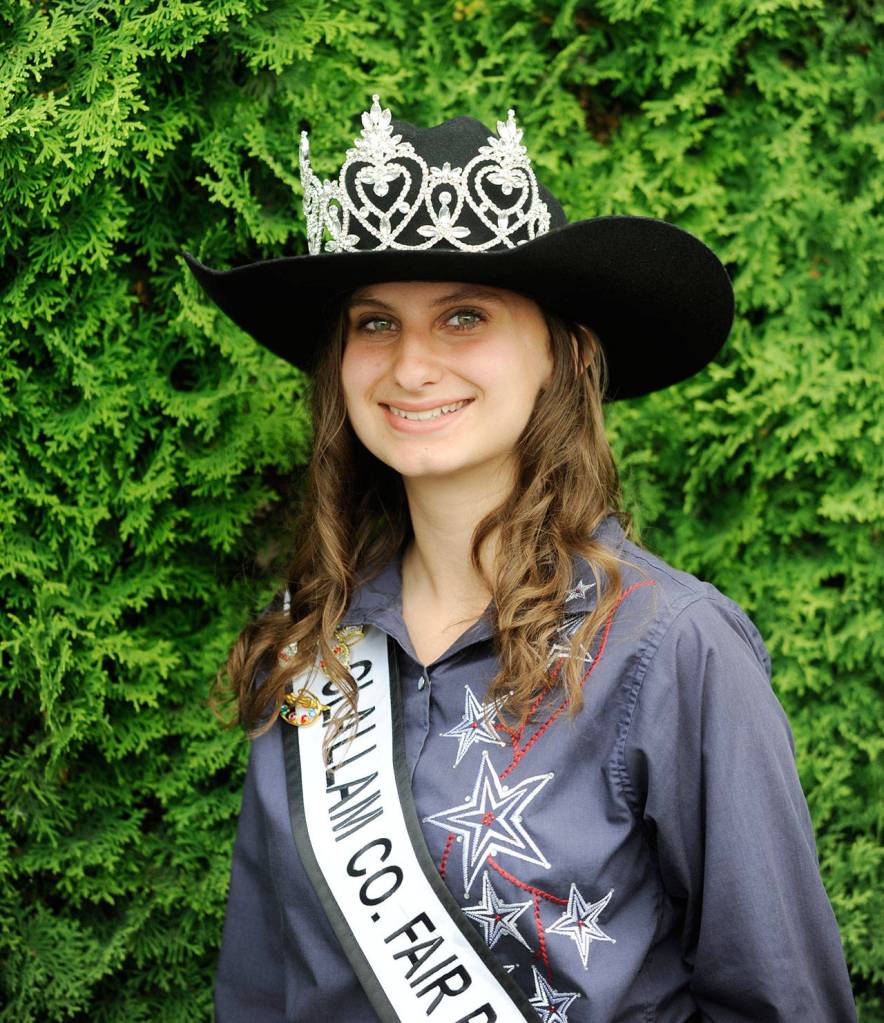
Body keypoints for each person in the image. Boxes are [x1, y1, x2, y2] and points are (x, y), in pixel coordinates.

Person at [184, 96, 856, 1022]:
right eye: (374, 322)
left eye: (464, 316)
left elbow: (780, 1002)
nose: (411, 365)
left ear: (558, 353)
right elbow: (263, 987)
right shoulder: (310, 637)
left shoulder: (674, 650)